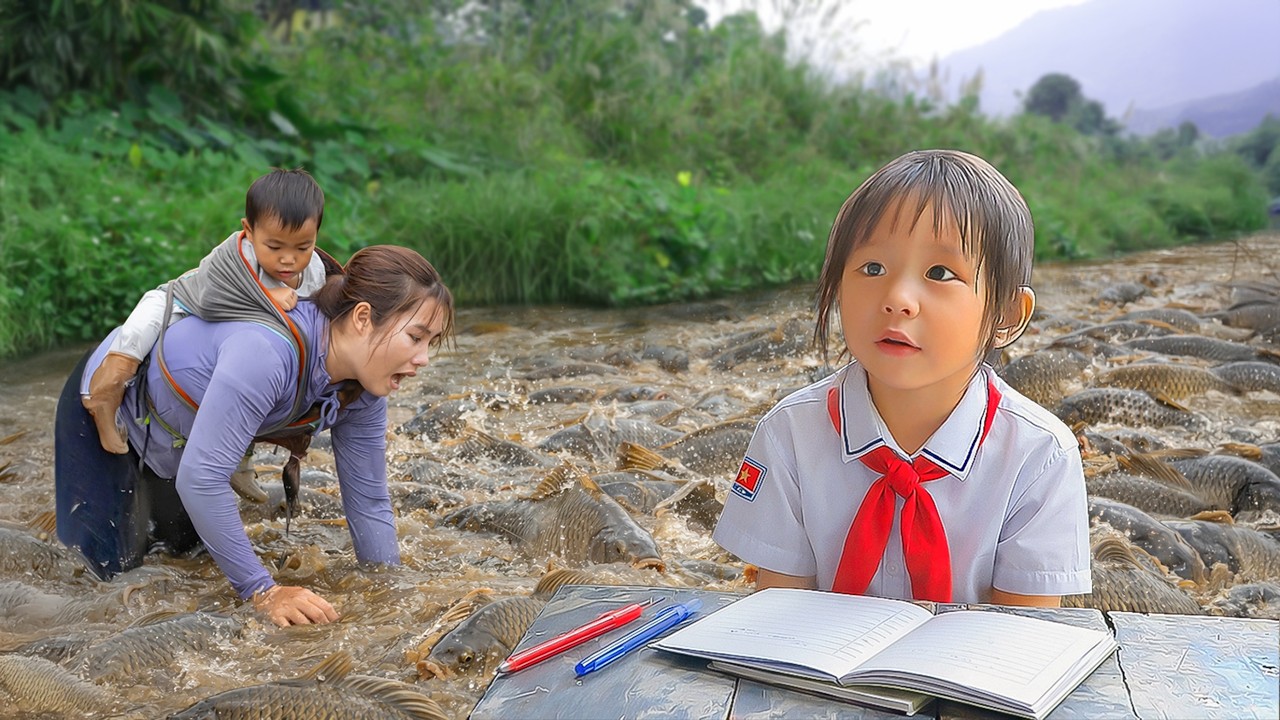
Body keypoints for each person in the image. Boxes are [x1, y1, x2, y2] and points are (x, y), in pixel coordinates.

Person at [712, 149, 1090, 607]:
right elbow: (778, 614)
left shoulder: (1040, 456)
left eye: (940, 273)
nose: (898, 299)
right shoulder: (790, 433)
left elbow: (1021, 641)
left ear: (1007, 314)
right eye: (872, 268)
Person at [55, 245, 454, 626]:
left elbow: (368, 501)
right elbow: (202, 480)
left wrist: (392, 597)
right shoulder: (267, 353)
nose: (423, 359)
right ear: (363, 318)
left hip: (182, 447)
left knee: (185, 568)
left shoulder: (363, 390)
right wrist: (263, 591)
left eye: (430, 343)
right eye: (415, 337)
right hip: (107, 414)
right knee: (103, 590)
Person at [82, 167, 333, 457]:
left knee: (249, 383)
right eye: (274, 246)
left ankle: (240, 458)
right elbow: (210, 298)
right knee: (134, 338)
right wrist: (266, 297)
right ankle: (106, 393)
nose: (288, 259)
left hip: (234, 343)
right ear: (249, 231)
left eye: (303, 246)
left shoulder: (315, 272)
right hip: (181, 304)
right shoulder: (235, 255)